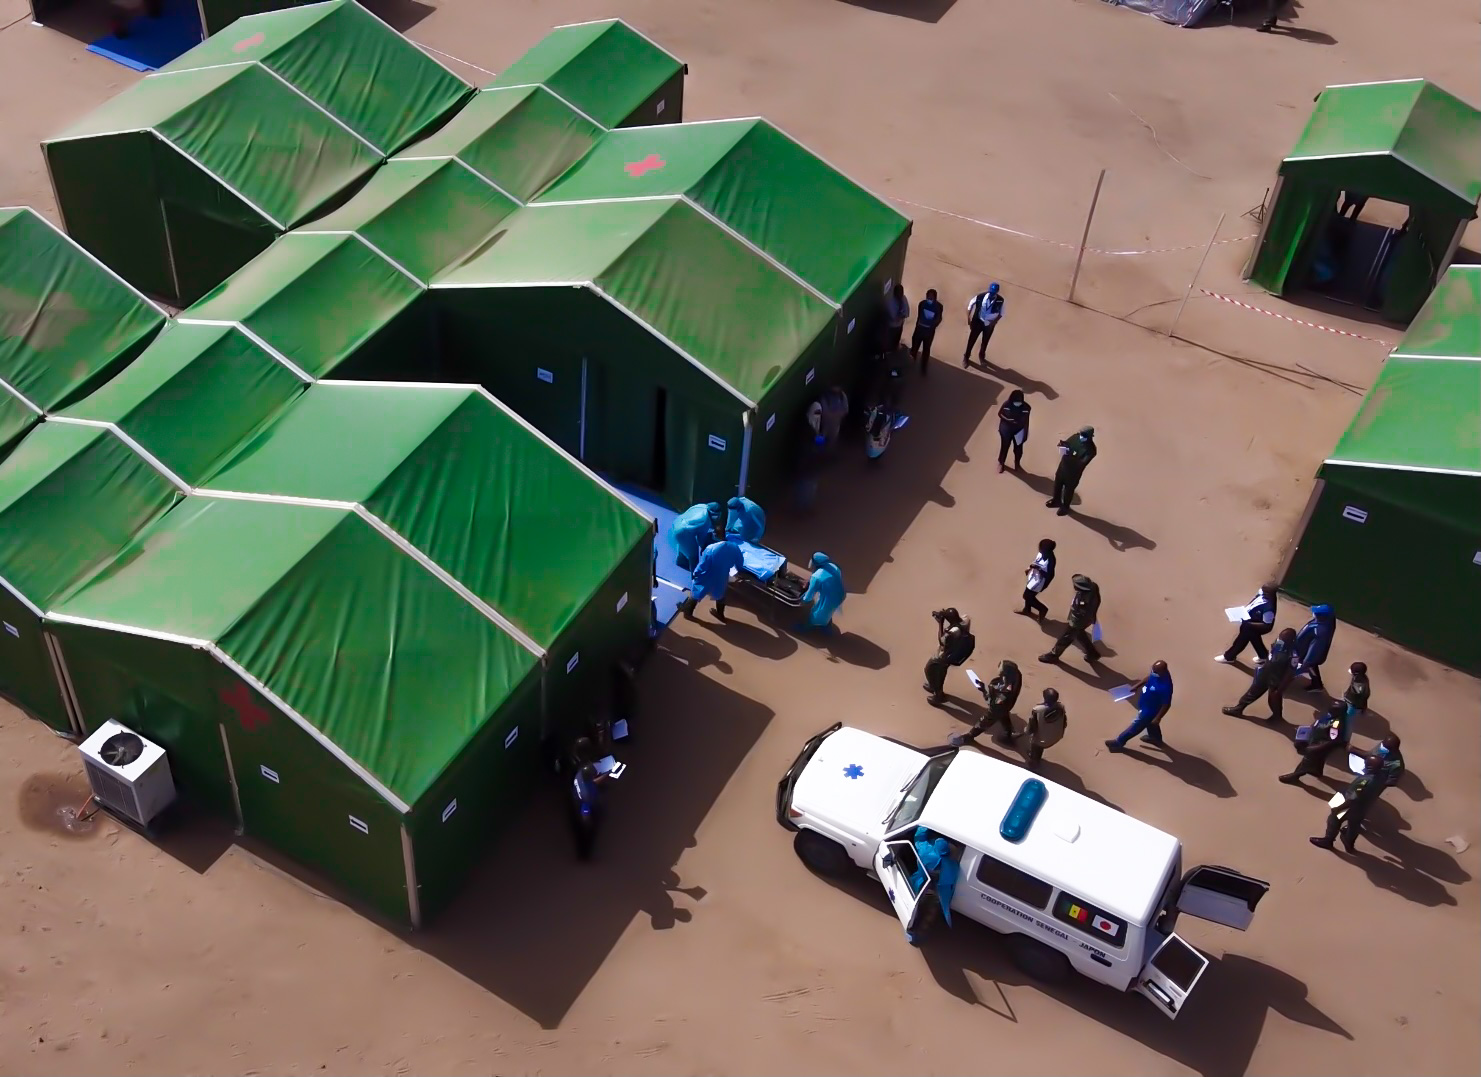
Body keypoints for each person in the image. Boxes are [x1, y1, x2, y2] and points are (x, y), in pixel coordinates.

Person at [1310, 752, 1386, 853]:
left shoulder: (1364, 781)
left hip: (1351, 807)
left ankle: (1328, 840)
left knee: (1334, 819)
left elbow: (1352, 799)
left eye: (1367, 764)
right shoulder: (1382, 776)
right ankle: (1349, 844)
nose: (1364, 765)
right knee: (1354, 825)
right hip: (1364, 807)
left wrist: (1339, 808)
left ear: (1370, 767)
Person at [1221, 627, 1298, 722]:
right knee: (1251, 693)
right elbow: (1272, 650)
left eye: (1282, 639)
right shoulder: (1279, 643)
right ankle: (1238, 709)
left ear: (1290, 641)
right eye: (1280, 637)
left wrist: (1280, 689)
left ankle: (1277, 717)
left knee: (1274, 699)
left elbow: (1289, 675)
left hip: (1277, 678)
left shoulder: (1292, 656)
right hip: (1265, 672)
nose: (1279, 640)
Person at [1105, 661, 1174, 752]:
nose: (1153, 672)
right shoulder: (1156, 673)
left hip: (1149, 711)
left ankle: (1119, 742)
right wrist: (1137, 685)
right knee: (1151, 723)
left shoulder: (1166, 687)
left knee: (1136, 726)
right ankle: (1155, 738)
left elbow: (1166, 704)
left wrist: (1158, 718)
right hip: (1145, 704)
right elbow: (1149, 678)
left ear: (1162, 672)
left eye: (1155, 672)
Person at [1279, 700, 1350, 785]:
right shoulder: (1329, 715)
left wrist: (1317, 748)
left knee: (1307, 759)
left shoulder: (1336, 724)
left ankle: (1295, 776)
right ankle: (1316, 771)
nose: (1330, 708)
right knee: (1318, 760)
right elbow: (1318, 723)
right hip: (1315, 740)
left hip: (1322, 744)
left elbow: (1333, 740)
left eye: (1334, 709)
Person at [1039, 574, 1101, 664]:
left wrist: (1074, 623)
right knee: (1080, 635)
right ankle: (1092, 653)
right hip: (1084, 620)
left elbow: (1081, 612)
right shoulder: (1093, 587)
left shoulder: (1084, 599)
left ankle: (1053, 655)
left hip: (1078, 621)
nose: (1074, 587)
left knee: (1066, 638)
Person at [681, 533, 744, 621]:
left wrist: (696, 573)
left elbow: (703, 565)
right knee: (720, 593)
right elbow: (740, 561)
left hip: (707, 575)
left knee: (696, 592)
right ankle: (720, 614)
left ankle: (687, 612)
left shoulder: (710, 549)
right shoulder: (734, 547)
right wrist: (739, 570)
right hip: (722, 575)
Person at [923, 608, 975, 705]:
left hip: (944, 655)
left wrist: (940, 623)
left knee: (929, 669)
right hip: (953, 654)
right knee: (941, 672)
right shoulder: (965, 621)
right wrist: (943, 614)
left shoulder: (952, 632)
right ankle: (935, 687)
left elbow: (941, 640)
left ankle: (938, 695)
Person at [962, 659, 1022, 743]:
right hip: (1007, 705)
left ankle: (970, 736)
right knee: (1004, 716)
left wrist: (984, 691)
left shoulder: (1003, 694)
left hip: (999, 707)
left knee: (986, 721)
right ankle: (1009, 733)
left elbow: (992, 707)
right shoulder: (1016, 676)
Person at [1216, 583, 1278, 664]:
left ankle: (1229, 656)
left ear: (1268, 593)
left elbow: (1267, 624)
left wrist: (1249, 625)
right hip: (1250, 620)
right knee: (1253, 637)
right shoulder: (1261, 594)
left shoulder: (1269, 608)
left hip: (1259, 625)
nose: (1261, 591)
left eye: (1263, 590)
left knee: (1244, 636)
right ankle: (1263, 655)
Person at [1047, 426, 1096, 516]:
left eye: (1084, 435)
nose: (1081, 436)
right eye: (1081, 433)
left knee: (1068, 490)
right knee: (1058, 484)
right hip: (1063, 467)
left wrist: (1070, 454)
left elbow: (1082, 463)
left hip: (1073, 473)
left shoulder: (1091, 450)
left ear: (1090, 436)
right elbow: (1066, 444)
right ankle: (1056, 500)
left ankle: (1065, 507)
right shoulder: (1075, 437)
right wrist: (1062, 446)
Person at [1016, 687, 1067, 771]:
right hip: (1056, 736)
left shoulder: (1038, 711)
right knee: (1041, 745)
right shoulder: (1061, 707)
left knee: (1036, 746)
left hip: (1042, 740)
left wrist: (1025, 731)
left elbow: (1031, 727)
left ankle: (1034, 764)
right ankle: (1037, 756)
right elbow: (1064, 722)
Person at [1292, 604, 1337, 692]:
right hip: (1304, 650)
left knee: (1311, 666)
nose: (1313, 614)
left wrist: (1307, 662)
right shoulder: (1324, 621)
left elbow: (1316, 648)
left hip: (1308, 654)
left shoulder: (1320, 631)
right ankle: (1317, 684)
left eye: (1316, 613)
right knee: (1312, 667)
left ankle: (1317, 685)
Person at [669, 501, 725, 572]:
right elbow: (701, 539)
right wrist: (706, 545)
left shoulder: (702, 506)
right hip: (682, 532)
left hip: (676, 523)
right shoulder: (706, 520)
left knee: (684, 544)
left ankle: (681, 560)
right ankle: (696, 576)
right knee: (693, 555)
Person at [799, 552, 845, 631]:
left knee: (817, 616)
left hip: (827, 599)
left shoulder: (817, 577)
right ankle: (825, 623)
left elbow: (809, 596)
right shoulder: (834, 567)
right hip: (840, 594)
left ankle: (809, 630)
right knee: (829, 611)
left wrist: (802, 600)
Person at [963, 282, 1005, 365]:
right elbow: (970, 305)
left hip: (989, 324)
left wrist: (994, 322)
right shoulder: (980, 296)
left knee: (985, 341)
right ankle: (966, 357)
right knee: (972, 340)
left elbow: (1001, 313)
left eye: (994, 293)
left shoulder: (1000, 300)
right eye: (991, 292)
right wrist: (968, 317)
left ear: (997, 292)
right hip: (978, 321)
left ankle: (981, 356)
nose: (992, 294)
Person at [996, 389, 1032, 474]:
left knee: (1018, 449)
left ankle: (1017, 464)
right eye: (1016, 401)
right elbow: (1000, 414)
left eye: (1019, 401)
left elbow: (1027, 421)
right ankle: (1001, 463)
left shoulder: (1027, 408)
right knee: (1004, 447)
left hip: (1019, 431)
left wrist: (1025, 434)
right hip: (1006, 431)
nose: (1018, 403)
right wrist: (1008, 420)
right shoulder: (1006, 405)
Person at [1020, 538, 1056, 619]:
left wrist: (1038, 568)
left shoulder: (1050, 560)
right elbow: (1036, 562)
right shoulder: (1042, 553)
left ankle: (1043, 609)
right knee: (1028, 593)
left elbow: (1050, 575)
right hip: (1033, 577)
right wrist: (1030, 568)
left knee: (1027, 596)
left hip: (1040, 582)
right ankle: (1026, 610)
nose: (1039, 548)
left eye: (1041, 547)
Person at [911, 288, 944, 373]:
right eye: (928, 297)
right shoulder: (922, 304)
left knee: (926, 350)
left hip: (929, 332)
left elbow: (939, 318)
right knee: (914, 347)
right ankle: (911, 362)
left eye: (931, 297)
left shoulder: (939, 307)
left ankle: (923, 368)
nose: (929, 299)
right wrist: (918, 326)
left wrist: (932, 326)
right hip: (919, 330)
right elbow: (919, 316)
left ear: (935, 298)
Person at [884, 284, 910, 352]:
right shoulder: (890, 302)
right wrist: (902, 315)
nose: (900, 294)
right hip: (891, 326)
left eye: (901, 292)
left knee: (896, 339)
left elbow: (906, 312)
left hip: (900, 325)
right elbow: (894, 317)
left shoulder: (903, 298)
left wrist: (902, 315)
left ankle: (895, 348)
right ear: (895, 293)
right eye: (899, 292)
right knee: (889, 340)